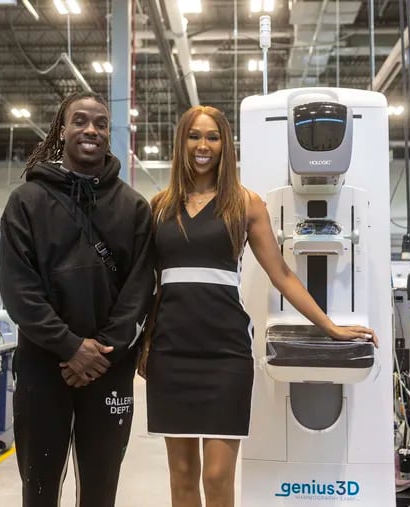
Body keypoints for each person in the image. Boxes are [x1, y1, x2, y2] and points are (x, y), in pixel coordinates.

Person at [145, 105, 377, 507]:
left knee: (218, 477)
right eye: (194, 136)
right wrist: (143, 343)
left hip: (224, 353)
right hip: (170, 351)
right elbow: (148, 285)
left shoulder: (245, 204)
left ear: (225, 145)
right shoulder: (160, 206)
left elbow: (283, 275)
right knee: (182, 476)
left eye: (213, 137)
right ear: (181, 141)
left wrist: (331, 327)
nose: (203, 146)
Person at [0, 91, 154, 507]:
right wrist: (70, 347)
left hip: (109, 367)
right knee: (39, 488)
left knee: (101, 491)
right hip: (43, 367)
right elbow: (19, 289)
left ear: (109, 133)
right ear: (61, 130)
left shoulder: (134, 208)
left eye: (100, 123)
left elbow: (140, 290)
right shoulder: (26, 202)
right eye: (80, 121)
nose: (91, 130)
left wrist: (100, 351)